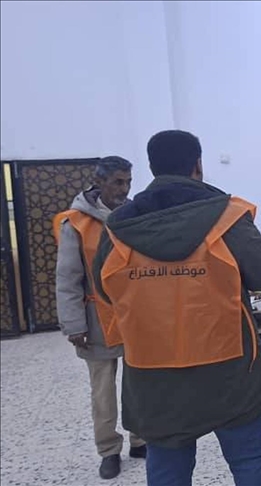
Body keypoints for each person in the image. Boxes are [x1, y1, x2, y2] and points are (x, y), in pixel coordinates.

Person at [92, 130, 261, 486]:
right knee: (249, 460)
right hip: (229, 368)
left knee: (168, 469)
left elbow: (104, 289)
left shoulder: (119, 227)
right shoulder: (226, 215)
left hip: (154, 372)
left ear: (152, 167)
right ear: (197, 165)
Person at [53, 156, 145, 480]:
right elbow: (67, 278)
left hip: (134, 315)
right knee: (103, 391)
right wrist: (73, 324)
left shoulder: (134, 215)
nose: (125, 189)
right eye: (118, 182)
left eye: (128, 182)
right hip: (95, 317)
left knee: (138, 383)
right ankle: (108, 449)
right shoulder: (76, 222)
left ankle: (140, 439)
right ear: (99, 181)